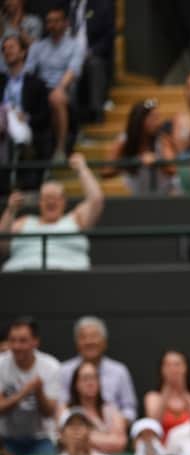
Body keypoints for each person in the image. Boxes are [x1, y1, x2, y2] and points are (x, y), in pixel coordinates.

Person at [0, 154, 104, 272]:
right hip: (21, 278)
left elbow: (96, 200)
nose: (51, 201)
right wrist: (11, 210)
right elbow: (2, 243)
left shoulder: (76, 219)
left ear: (64, 201)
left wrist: (82, 169)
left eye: (55, 197)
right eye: (47, 197)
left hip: (71, 279)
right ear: (40, 202)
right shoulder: (23, 222)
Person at [25, 6, 83, 158]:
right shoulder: (38, 46)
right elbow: (28, 72)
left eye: (56, 21)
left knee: (56, 98)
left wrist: (60, 88)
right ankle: (29, 148)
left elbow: (73, 70)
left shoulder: (75, 45)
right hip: (41, 89)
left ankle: (60, 148)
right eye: (49, 21)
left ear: (65, 23)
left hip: (64, 88)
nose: (52, 25)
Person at [58, 316, 137, 423]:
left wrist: (117, 425)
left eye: (94, 336)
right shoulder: (64, 371)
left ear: (104, 342)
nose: (89, 341)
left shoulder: (119, 371)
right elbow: (60, 405)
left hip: (112, 429)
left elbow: (129, 409)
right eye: (83, 337)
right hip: (75, 429)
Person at [0, 316, 60, 455]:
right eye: (12, 340)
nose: (16, 346)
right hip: (7, 438)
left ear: (35, 342)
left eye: (22, 341)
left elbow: (49, 412)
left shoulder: (51, 366)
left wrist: (38, 391)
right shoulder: (1, 364)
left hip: (40, 438)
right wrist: (23, 392)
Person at [104, 99, 179, 195]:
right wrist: (134, 162)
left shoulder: (162, 139)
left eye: (157, 118)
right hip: (138, 195)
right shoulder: (125, 140)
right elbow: (106, 171)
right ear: (140, 119)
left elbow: (173, 169)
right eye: (152, 118)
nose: (157, 122)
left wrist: (157, 161)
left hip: (165, 194)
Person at [0, 34, 52, 166]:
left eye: (11, 47)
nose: (7, 51)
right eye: (4, 48)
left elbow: (45, 115)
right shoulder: (1, 81)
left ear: (23, 52)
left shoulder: (36, 83)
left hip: (22, 123)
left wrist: (27, 118)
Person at [64, 361, 127, 454]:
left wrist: (87, 436)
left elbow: (121, 442)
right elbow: (70, 440)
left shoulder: (111, 409)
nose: (90, 383)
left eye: (94, 378)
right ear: (76, 384)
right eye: (85, 379)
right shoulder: (67, 410)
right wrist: (107, 438)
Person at [143, 349, 190, 439]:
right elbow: (153, 424)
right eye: (168, 365)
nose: (173, 369)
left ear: (186, 368)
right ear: (161, 369)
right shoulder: (153, 397)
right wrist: (166, 392)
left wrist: (183, 391)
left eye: (177, 365)